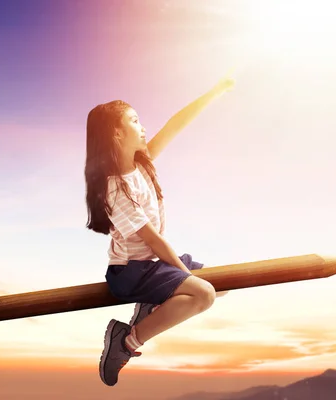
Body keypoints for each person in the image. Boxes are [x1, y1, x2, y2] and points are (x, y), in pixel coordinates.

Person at [84, 76, 234, 386]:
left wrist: (215, 91)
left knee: (224, 283)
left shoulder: (142, 163)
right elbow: (153, 240)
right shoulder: (115, 187)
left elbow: (175, 125)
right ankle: (125, 342)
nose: (142, 127)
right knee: (203, 294)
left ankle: (148, 311)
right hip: (132, 272)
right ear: (116, 132)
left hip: (153, 263)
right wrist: (186, 276)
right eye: (134, 121)